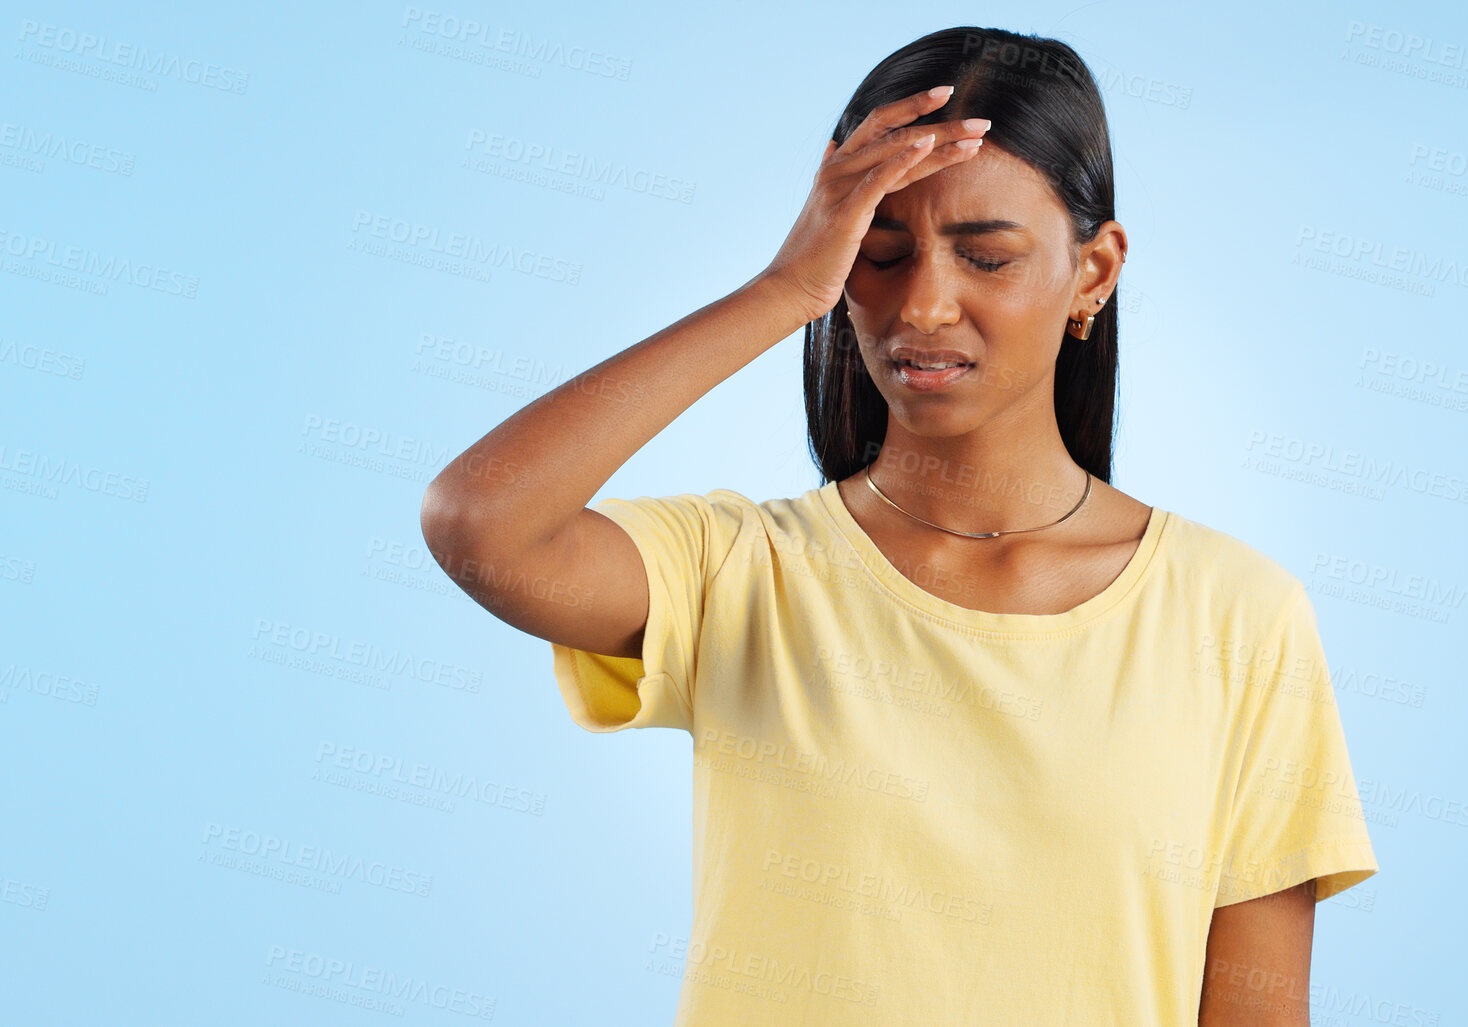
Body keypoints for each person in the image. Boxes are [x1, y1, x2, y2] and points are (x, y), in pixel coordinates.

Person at [421, 25, 1378, 1025]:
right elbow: (481, 521)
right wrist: (782, 290)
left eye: (986, 257)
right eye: (880, 253)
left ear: (1094, 273)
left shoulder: (1239, 616)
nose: (922, 303)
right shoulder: (740, 573)